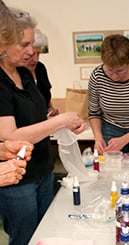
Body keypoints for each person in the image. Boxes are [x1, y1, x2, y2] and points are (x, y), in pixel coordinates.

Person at [0, 7, 84, 245]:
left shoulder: (26, 74)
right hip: (18, 180)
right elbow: (10, 136)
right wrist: (59, 121)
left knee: (46, 231)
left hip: (42, 168)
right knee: (24, 237)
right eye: (25, 44)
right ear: (5, 42)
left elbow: (39, 117)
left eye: (33, 46)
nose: (31, 52)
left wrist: (62, 124)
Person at [24, 28, 59, 116]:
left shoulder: (40, 68)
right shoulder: (16, 74)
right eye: (31, 55)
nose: (35, 60)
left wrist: (50, 109)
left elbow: (45, 96)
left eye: (38, 54)